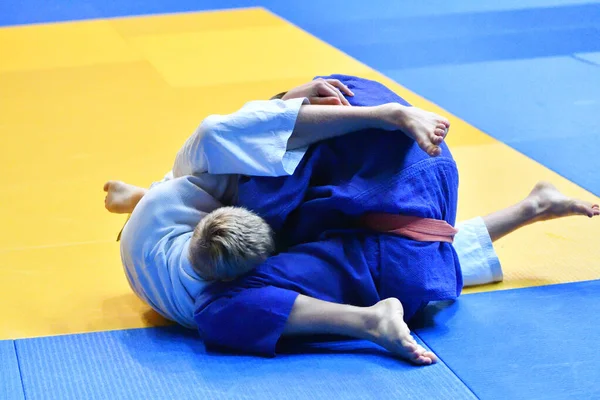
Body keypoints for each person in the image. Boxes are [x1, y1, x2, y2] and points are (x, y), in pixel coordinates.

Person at [105, 75, 598, 365]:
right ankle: (533, 207)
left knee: (358, 256)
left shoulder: (187, 188)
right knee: (379, 258)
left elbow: (251, 127)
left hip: (157, 220)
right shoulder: (202, 274)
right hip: (159, 230)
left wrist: (370, 111)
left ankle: (136, 197)